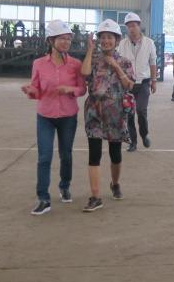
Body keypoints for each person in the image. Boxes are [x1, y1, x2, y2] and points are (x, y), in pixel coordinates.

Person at [21, 19, 86, 216]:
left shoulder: (75, 65)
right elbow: (36, 89)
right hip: (46, 116)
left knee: (66, 154)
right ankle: (43, 198)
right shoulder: (39, 64)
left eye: (68, 39)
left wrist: (70, 89)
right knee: (44, 157)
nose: (66, 42)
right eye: (61, 39)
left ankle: (65, 186)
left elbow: (82, 89)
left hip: (68, 116)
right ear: (51, 41)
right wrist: (30, 91)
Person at [81, 19, 136, 212]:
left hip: (116, 113)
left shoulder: (125, 62)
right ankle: (96, 197)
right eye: (102, 37)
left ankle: (115, 183)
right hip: (94, 113)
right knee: (94, 154)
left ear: (117, 40)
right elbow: (84, 73)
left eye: (109, 37)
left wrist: (116, 66)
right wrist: (90, 51)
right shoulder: (94, 60)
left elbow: (130, 85)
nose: (105, 41)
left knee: (115, 154)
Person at [117, 12, 157, 152]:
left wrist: (154, 80)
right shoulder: (122, 44)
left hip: (143, 82)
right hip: (127, 83)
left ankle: (144, 134)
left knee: (141, 110)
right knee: (129, 113)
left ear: (139, 26)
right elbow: (118, 62)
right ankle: (132, 142)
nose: (132, 29)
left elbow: (152, 63)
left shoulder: (149, 43)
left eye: (134, 25)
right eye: (129, 26)